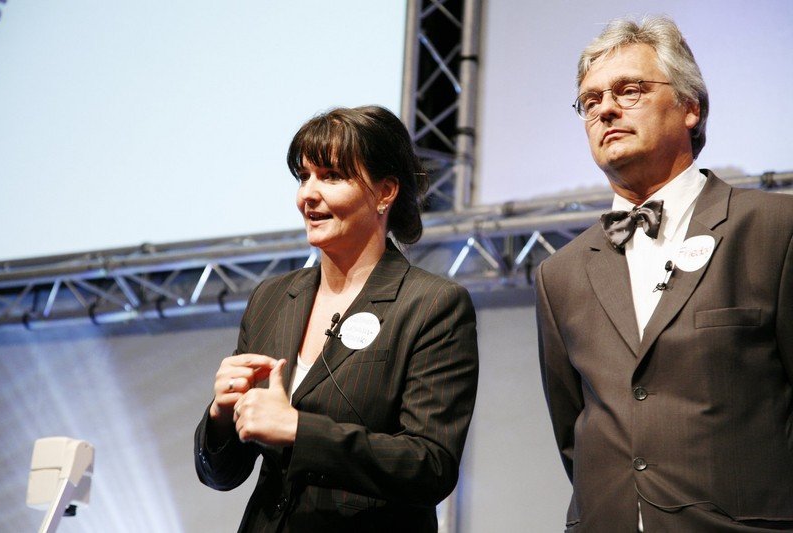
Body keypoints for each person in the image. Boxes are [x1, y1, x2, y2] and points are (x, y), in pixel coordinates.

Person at [536, 16, 793, 532]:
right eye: (590, 101)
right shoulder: (559, 274)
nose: (606, 109)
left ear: (690, 107)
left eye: (629, 90)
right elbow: (572, 431)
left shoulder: (774, 228)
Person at [194, 105, 479, 532]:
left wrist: (300, 431)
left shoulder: (432, 305)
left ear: (385, 192)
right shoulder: (272, 298)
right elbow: (222, 475)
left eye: (331, 176)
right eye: (303, 176)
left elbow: (430, 466)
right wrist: (221, 415)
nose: (308, 194)